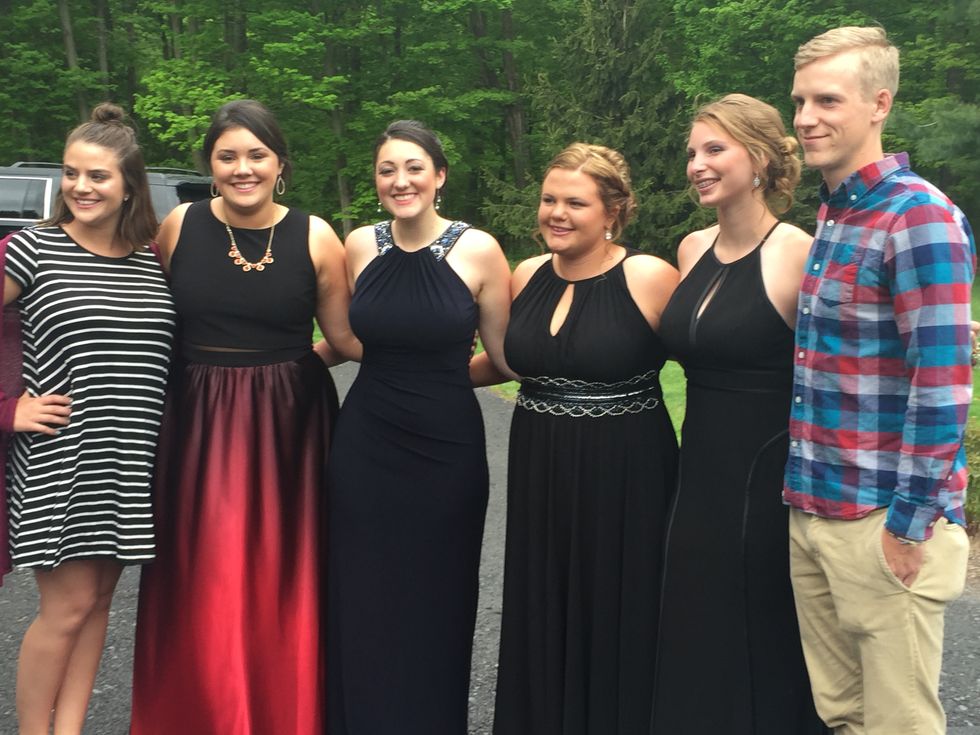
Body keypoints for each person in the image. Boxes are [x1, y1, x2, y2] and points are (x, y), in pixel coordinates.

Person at [130, 99, 360, 735]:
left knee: (282, 573)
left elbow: (344, 338)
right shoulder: (179, 225)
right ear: (210, 164)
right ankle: (199, 716)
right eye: (227, 156)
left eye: (257, 155)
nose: (243, 168)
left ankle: (284, 715)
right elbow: (142, 316)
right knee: (200, 575)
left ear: (280, 163)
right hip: (196, 423)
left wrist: (428, 357)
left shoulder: (316, 235)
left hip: (291, 425)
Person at [785, 26, 975, 735]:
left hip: (881, 521)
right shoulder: (836, 215)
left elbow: (942, 383)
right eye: (800, 101)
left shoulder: (917, 215)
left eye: (828, 100)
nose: (807, 118)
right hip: (815, 509)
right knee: (843, 715)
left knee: (899, 723)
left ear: (879, 104)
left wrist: (908, 523)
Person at [326, 120, 513, 734]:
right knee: (362, 593)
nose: (400, 181)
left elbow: (504, 358)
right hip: (365, 445)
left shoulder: (479, 250)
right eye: (387, 170)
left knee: (438, 594)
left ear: (439, 176)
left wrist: (443, 381)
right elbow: (347, 340)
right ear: (376, 180)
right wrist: (271, 367)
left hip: (446, 449)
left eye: (413, 168)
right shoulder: (358, 244)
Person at [651, 94, 826, 734]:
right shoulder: (691, 249)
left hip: (766, 473)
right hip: (697, 467)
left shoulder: (798, 251)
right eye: (692, 152)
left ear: (758, 159)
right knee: (696, 617)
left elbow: (843, 355)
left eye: (714, 149)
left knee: (760, 625)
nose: (697, 164)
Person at [491, 143, 679, 735]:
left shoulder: (649, 277)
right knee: (544, 598)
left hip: (626, 473)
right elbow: (504, 363)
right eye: (549, 199)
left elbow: (718, 359)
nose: (557, 213)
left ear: (613, 211)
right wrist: (409, 373)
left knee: (618, 604)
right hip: (539, 466)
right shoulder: (526, 275)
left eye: (576, 202)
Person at [0, 103, 175, 735]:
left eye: (98, 175)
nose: (80, 186)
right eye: (71, 173)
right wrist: (7, 410)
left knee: (99, 602)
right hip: (62, 460)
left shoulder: (151, 261)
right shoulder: (32, 249)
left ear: (130, 185)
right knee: (66, 608)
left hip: (128, 462)